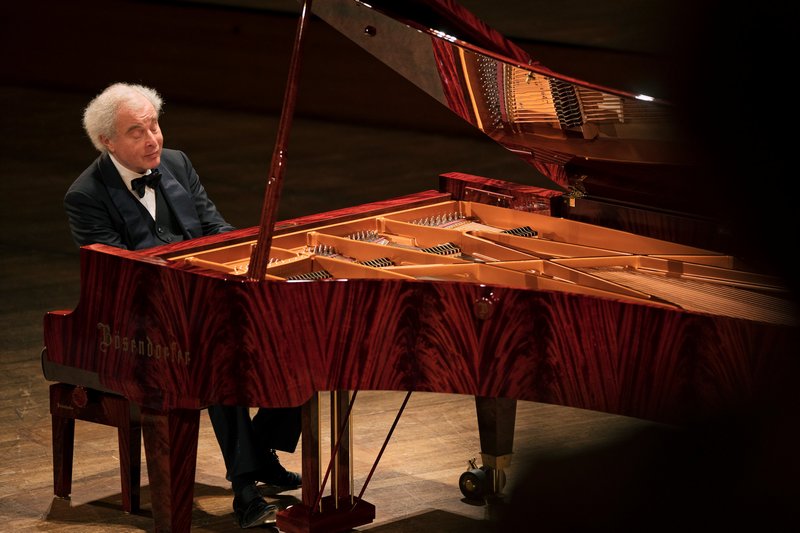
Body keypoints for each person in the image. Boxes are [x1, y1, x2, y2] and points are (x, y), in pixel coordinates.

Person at [63, 82, 302, 529]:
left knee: (293, 333)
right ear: (107, 142)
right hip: (136, 322)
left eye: (154, 125)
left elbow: (213, 225)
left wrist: (252, 255)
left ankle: (262, 447)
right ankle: (246, 490)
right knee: (214, 356)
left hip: (199, 297)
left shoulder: (176, 163)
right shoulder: (86, 195)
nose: (153, 139)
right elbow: (119, 276)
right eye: (137, 132)